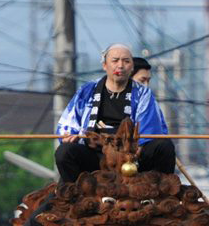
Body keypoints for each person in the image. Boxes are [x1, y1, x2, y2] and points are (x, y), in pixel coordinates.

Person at [54, 43, 173, 182]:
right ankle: (77, 192)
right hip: (95, 154)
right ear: (105, 65)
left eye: (126, 61)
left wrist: (130, 153)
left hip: (132, 157)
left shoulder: (143, 93)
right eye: (115, 60)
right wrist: (69, 136)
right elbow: (68, 125)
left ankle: (159, 190)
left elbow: (150, 132)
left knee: (164, 147)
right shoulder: (88, 89)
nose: (120, 65)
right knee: (64, 152)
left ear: (132, 67)